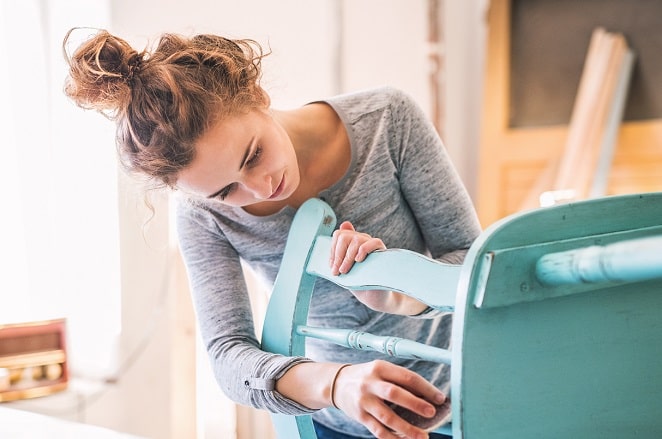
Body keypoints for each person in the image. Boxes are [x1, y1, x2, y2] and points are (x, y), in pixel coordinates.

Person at [62, 28, 482, 439]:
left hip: (463, 401)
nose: (261, 188)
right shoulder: (202, 215)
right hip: (332, 421)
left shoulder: (389, 120)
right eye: (226, 190)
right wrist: (337, 385)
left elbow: (470, 260)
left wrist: (397, 294)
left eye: (254, 154)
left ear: (257, 98)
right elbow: (228, 356)